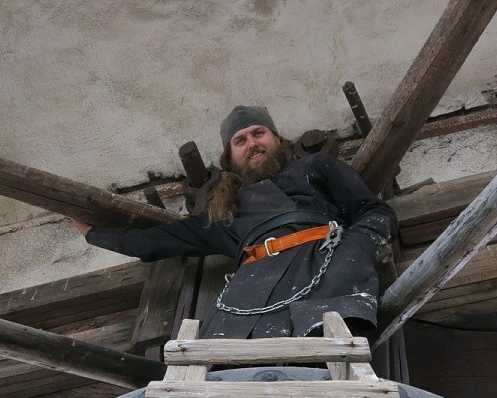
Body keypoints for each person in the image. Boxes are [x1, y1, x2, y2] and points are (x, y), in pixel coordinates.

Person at [72, 105, 397, 338]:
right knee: (229, 376)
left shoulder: (315, 166)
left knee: (331, 353)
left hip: (324, 268)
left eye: (258, 133)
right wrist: (93, 234)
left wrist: (353, 250)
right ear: (229, 158)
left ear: (277, 139)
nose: (252, 143)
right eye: (240, 140)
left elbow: (375, 212)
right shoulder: (224, 213)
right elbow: (152, 242)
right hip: (252, 292)